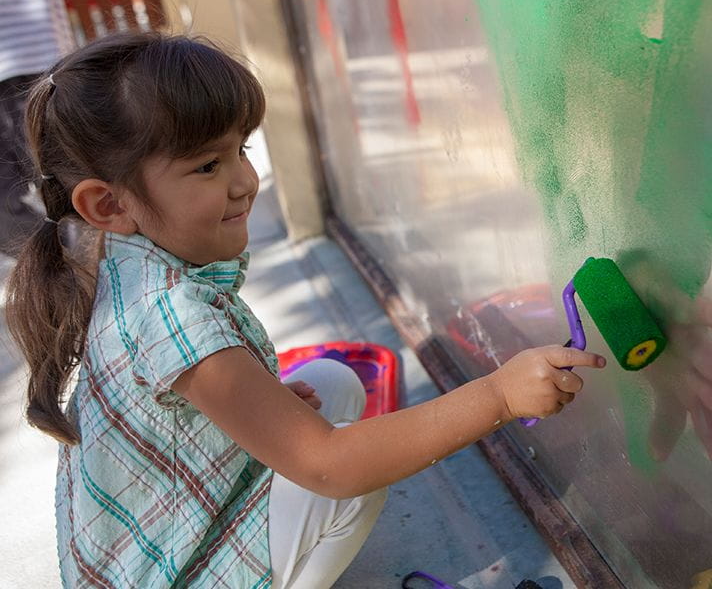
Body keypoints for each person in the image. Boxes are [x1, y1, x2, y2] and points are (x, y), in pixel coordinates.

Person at [5, 32, 606, 589]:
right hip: (164, 573)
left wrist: (262, 409)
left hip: (158, 532)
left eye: (239, 150)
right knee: (344, 486)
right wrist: (498, 396)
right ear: (108, 203)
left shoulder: (114, 253)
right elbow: (331, 468)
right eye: (208, 166)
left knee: (331, 384)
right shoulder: (168, 310)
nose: (244, 180)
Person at [0, 0, 117, 256]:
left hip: (36, 68)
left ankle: (102, 268)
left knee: (72, 182)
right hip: (34, 67)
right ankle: (60, 268)